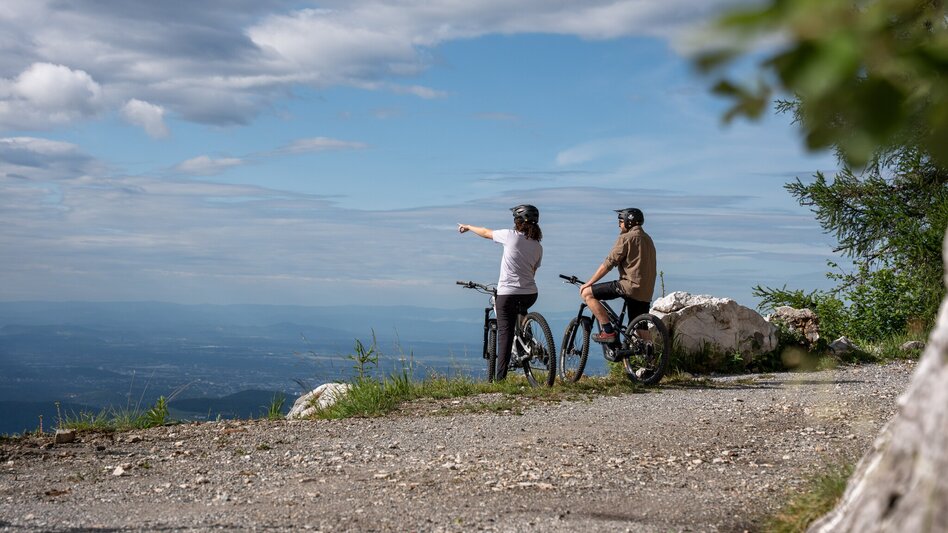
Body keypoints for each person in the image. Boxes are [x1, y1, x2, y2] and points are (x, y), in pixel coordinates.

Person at [458, 205, 543, 380]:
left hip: (507, 294)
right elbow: (532, 272)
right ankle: (528, 341)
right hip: (530, 294)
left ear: (518, 222)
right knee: (520, 312)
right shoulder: (537, 247)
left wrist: (467, 226)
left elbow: (485, 232)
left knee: (505, 333)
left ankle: (499, 380)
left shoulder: (510, 236)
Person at [580, 207, 656, 344]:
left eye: (621, 221)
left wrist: (589, 283)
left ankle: (608, 331)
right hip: (646, 291)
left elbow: (609, 264)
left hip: (629, 286)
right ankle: (654, 361)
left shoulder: (626, 238)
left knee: (587, 294)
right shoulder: (648, 239)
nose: (619, 225)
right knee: (641, 328)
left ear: (629, 222)